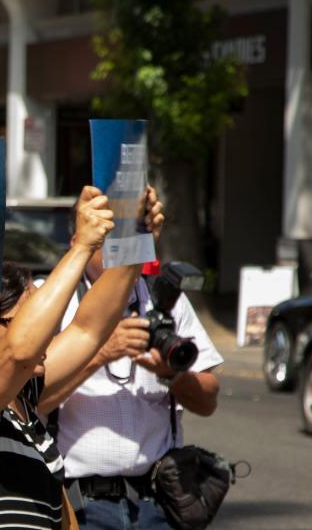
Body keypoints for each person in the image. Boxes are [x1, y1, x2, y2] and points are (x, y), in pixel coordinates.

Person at [0, 185, 164, 530]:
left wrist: (136, 239)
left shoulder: (26, 402)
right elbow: (18, 352)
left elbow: (89, 329)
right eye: (31, 318)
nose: (48, 332)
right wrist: (83, 246)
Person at [37, 203, 222, 530]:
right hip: (78, 506)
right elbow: (29, 400)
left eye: (125, 239)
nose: (117, 252)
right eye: (106, 239)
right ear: (78, 239)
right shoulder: (50, 300)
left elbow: (208, 400)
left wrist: (171, 375)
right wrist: (101, 353)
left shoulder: (163, 300)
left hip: (157, 505)